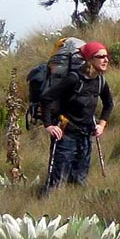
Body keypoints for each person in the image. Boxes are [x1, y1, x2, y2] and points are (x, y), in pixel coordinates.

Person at [39, 40, 113, 195]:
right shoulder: (73, 78)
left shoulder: (100, 81)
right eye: (101, 57)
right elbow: (46, 99)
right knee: (57, 181)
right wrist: (48, 125)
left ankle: (74, 207)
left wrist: (102, 125)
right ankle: (47, 205)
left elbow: (108, 104)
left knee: (79, 179)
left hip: (86, 135)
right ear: (90, 60)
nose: (106, 60)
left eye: (106, 56)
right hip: (66, 134)